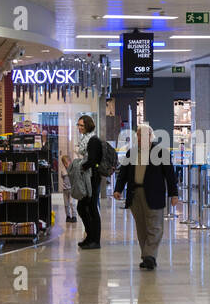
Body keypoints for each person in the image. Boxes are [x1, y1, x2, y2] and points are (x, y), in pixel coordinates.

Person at [113, 123, 179, 270]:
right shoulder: (132, 152)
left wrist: (174, 194)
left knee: (155, 226)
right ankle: (146, 256)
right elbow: (123, 173)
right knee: (141, 226)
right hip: (135, 194)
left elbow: (170, 176)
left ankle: (150, 255)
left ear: (150, 136)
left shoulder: (161, 152)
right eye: (138, 135)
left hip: (154, 194)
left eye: (143, 135)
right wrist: (118, 189)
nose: (140, 137)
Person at [75, 114, 103, 249]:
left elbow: (92, 161)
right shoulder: (86, 140)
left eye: (82, 125)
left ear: (88, 126)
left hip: (92, 178)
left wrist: (80, 167)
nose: (79, 128)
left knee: (91, 208)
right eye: (78, 125)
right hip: (88, 178)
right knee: (83, 207)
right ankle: (90, 237)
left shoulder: (92, 140)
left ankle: (94, 240)